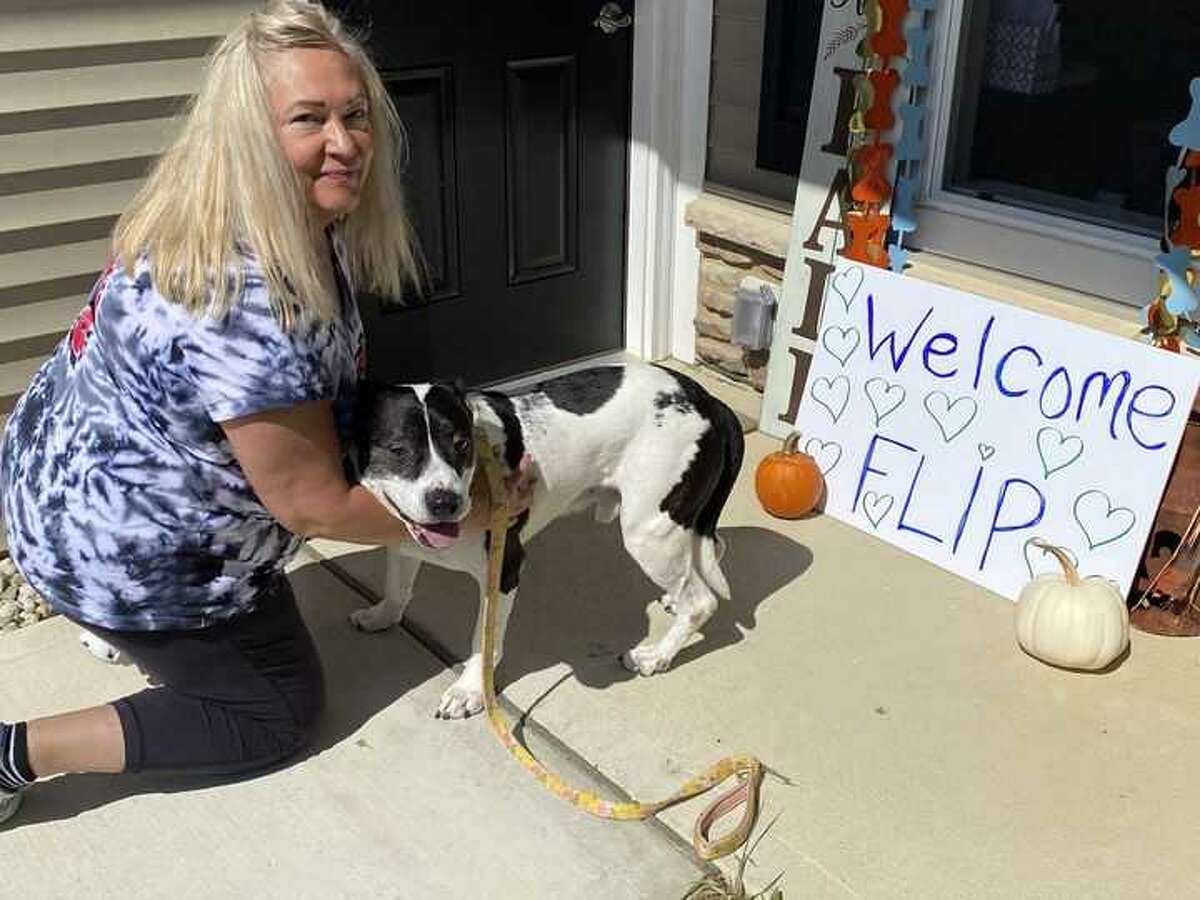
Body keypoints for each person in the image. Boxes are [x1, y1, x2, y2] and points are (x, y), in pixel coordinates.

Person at [0, 0, 521, 826]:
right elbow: (313, 504)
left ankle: (115, 616)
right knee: (274, 712)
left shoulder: (210, 210)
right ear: (248, 136)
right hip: (119, 552)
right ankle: (16, 753)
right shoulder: (251, 303)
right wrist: (486, 508)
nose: (345, 142)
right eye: (308, 119)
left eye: (355, 115)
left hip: (55, 485)